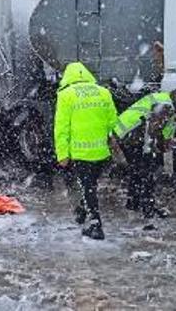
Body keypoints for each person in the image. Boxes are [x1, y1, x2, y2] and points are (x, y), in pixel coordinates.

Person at [54, 62, 118, 240]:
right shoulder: (103, 92)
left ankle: (96, 225)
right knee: (90, 186)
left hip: (81, 153)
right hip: (101, 152)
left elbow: (61, 128)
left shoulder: (66, 95)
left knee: (87, 187)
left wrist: (62, 154)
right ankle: (82, 211)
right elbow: (112, 122)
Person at [110, 87, 176, 219]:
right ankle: (147, 208)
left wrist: (168, 164)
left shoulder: (167, 107)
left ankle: (133, 203)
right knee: (145, 172)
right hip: (130, 135)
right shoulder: (164, 106)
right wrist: (149, 152)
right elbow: (151, 131)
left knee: (137, 171)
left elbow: (166, 139)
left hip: (127, 134)